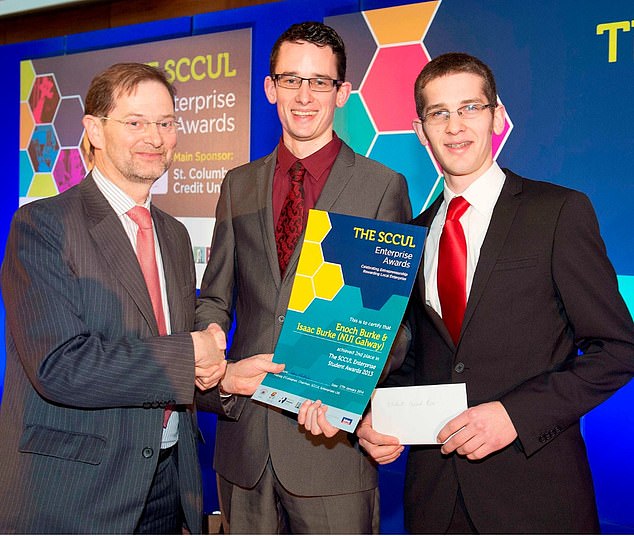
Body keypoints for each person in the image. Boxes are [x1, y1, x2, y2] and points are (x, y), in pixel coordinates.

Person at [356, 52, 634, 534]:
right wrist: (373, 418)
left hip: (536, 496)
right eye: (439, 113)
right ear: (420, 131)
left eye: (470, 107)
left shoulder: (558, 212)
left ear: (497, 116)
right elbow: (418, 361)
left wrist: (515, 415)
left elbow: (618, 349)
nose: (455, 126)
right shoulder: (410, 237)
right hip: (436, 499)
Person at [196, 21, 412, 534]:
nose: (304, 95)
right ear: (270, 88)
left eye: (319, 82)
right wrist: (207, 338)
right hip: (245, 447)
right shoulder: (238, 184)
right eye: (291, 80)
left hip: (331, 449)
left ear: (343, 93)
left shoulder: (383, 187)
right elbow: (215, 296)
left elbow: (397, 326)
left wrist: (347, 386)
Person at [0, 62, 228, 534]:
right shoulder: (42, 226)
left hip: (170, 486)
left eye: (166, 123)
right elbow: (59, 366)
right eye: (135, 122)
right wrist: (190, 353)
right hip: (76, 495)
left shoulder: (175, 236)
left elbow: (165, 362)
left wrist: (224, 376)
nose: (155, 137)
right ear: (94, 130)